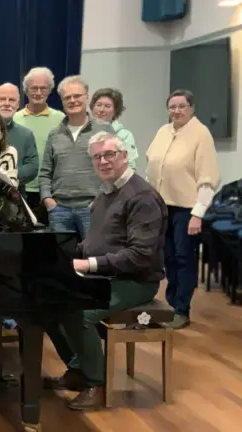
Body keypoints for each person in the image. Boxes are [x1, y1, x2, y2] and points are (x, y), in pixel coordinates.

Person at [43, 132, 168, 411]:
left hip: (135, 281)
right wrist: (60, 256)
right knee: (47, 305)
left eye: (109, 154)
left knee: (80, 312)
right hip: (104, 274)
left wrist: (87, 265)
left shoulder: (142, 197)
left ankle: (96, 383)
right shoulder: (106, 193)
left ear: (124, 156)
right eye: (97, 157)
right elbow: (91, 244)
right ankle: (78, 369)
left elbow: (140, 256)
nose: (103, 161)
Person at [145, 89, 220, 329]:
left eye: (181, 106)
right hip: (162, 206)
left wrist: (198, 213)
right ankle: (169, 306)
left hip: (186, 209)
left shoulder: (201, 134)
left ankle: (181, 309)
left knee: (183, 258)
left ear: (191, 108)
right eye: (172, 106)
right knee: (166, 257)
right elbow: (151, 167)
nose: (176, 111)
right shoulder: (163, 131)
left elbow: (207, 178)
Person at [38, 75, 116, 239]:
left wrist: (100, 201)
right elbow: (45, 172)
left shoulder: (104, 130)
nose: (72, 100)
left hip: (93, 208)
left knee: (93, 258)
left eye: (77, 96)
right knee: (62, 260)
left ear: (87, 97)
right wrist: (47, 200)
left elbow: (114, 170)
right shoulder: (54, 134)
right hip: (59, 210)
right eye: (67, 97)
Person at [13, 67, 65, 223]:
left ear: (50, 90)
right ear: (26, 91)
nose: (38, 92)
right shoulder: (15, 118)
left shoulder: (61, 119)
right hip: (21, 189)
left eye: (43, 88)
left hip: (50, 191)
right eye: (33, 88)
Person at [90, 88, 137, 169]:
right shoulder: (82, 132)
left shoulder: (124, 135)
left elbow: (130, 166)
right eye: (98, 105)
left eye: (107, 106)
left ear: (115, 111)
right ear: (92, 107)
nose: (101, 110)